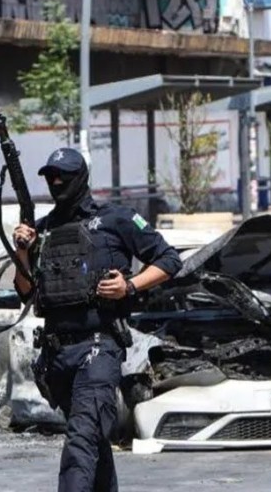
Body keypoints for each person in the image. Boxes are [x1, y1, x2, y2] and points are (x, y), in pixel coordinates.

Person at [12, 147, 182, 492]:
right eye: (49, 176)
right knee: (92, 441)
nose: (55, 181)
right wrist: (22, 252)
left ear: (81, 178)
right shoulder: (42, 230)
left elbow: (168, 259)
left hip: (99, 348)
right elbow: (26, 292)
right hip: (57, 356)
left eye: (62, 176)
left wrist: (129, 285)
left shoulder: (115, 219)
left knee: (81, 439)